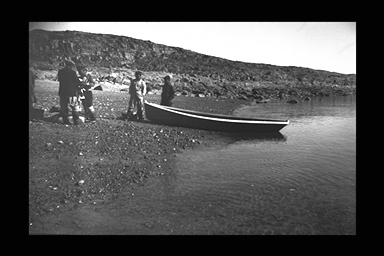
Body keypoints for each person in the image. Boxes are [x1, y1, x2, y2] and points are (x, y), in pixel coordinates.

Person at [57, 60, 82, 125]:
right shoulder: (72, 72)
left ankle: (65, 121)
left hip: (62, 91)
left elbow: (59, 80)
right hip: (71, 92)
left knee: (64, 107)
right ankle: (76, 121)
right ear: (71, 66)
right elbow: (77, 81)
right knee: (74, 106)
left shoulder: (60, 72)